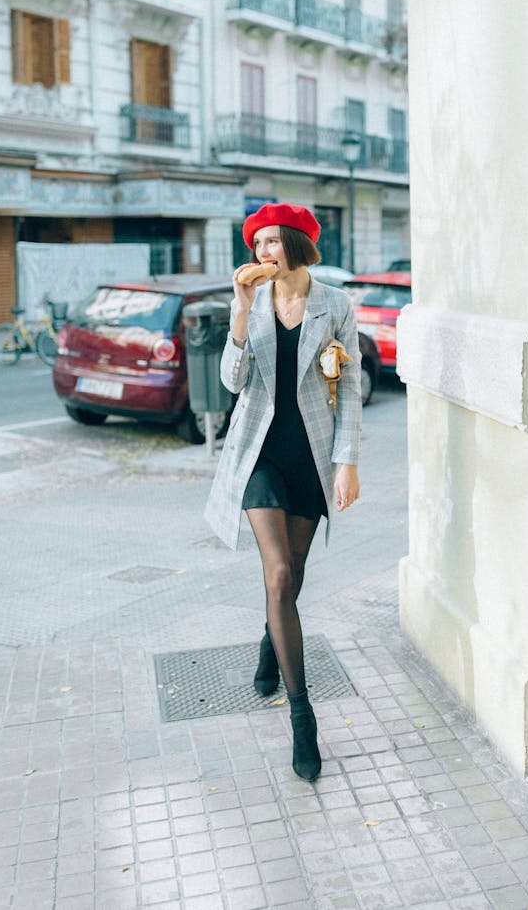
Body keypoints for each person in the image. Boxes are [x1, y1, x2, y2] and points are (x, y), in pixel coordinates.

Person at [204, 202, 362, 781]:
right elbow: (232, 381)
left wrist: (347, 463)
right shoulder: (251, 302)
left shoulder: (334, 305)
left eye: (273, 241)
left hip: (312, 459)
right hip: (259, 456)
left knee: (291, 577)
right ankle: (302, 714)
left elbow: (349, 390)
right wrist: (242, 312)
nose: (263, 252)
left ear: (298, 244)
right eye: (258, 243)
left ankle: (272, 644)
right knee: (276, 574)